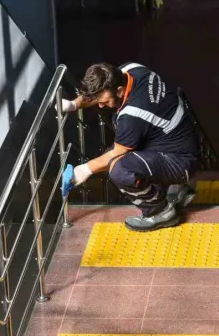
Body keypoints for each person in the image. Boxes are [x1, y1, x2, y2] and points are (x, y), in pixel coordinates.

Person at [60, 62, 199, 231]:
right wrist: (73, 105)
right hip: (177, 142)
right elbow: (96, 93)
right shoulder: (130, 69)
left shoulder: (133, 114)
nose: (101, 106)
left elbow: (118, 153)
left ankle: (160, 211)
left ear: (119, 90)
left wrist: (83, 171)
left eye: (105, 101)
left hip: (180, 160)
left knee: (119, 168)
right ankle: (175, 187)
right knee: (113, 157)